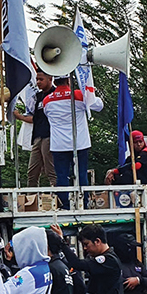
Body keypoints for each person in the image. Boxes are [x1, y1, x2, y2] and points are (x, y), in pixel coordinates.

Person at [42, 76, 103, 209]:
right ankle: (84, 203)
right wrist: (90, 92)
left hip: (58, 144)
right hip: (79, 142)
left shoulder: (47, 100)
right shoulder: (79, 95)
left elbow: (47, 115)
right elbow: (99, 106)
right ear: (69, 81)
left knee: (62, 176)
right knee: (81, 173)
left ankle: (66, 205)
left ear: (54, 82)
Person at [14, 69, 56, 188]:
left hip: (50, 135)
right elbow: (34, 118)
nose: (38, 82)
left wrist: (19, 116)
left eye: (41, 79)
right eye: (37, 79)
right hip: (37, 136)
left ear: (50, 79)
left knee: (50, 170)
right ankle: (31, 198)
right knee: (32, 171)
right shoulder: (38, 96)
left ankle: (59, 197)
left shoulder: (54, 94)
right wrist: (20, 116)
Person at [111, 130, 147, 205]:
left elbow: (136, 166)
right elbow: (124, 166)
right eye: (136, 142)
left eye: (140, 141)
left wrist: (116, 171)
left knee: (128, 174)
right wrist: (112, 174)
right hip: (140, 189)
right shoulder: (131, 157)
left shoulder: (146, 153)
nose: (139, 144)